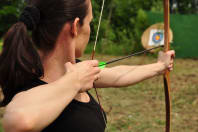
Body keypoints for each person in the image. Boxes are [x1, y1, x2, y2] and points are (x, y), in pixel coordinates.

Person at [0, 0, 175, 132]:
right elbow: (17, 120)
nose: (90, 29)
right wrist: (74, 81)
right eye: (90, 22)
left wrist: (160, 66)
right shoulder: (34, 82)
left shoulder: (76, 69)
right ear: (75, 27)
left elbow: (117, 74)